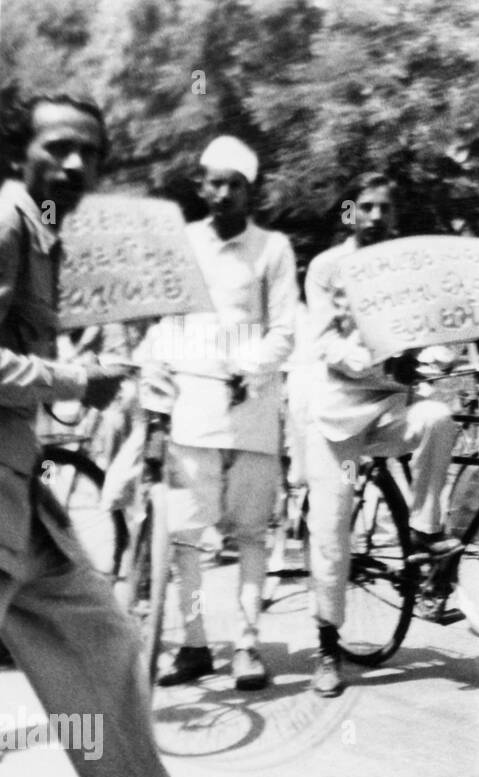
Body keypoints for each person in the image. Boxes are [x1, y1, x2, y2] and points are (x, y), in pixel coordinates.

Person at [0, 87, 257, 777]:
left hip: (16, 482)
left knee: (101, 640)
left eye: (91, 153)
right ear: (19, 153)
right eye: (58, 149)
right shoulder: (8, 218)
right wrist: (76, 378)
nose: (76, 165)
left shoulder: (38, 225)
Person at [145, 136, 298, 690]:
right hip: (193, 409)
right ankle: (193, 643)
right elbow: (165, 317)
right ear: (201, 186)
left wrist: (250, 366)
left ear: (250, 190)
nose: (226, 193)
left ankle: (249, 644)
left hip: (253, 410)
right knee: (186, 534)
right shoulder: (182, 244)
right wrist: (156, 373)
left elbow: (284, 330)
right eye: (217, 182)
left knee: (251, 532)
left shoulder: (274, 249)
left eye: (237, 184)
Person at [302, 172, 461, 695]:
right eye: (364, 207)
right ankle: (328, 647)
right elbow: (326, 345)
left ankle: (423, 528)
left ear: (394, 216)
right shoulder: (327, 268)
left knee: (439, 418)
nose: (374, 216)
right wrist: (386, 363)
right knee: (331, 527)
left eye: (384, 208)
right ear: (349, 212)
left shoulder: (407, 270)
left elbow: (433, 338)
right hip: (338, 419)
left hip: (394, 408)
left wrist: (439, 360)